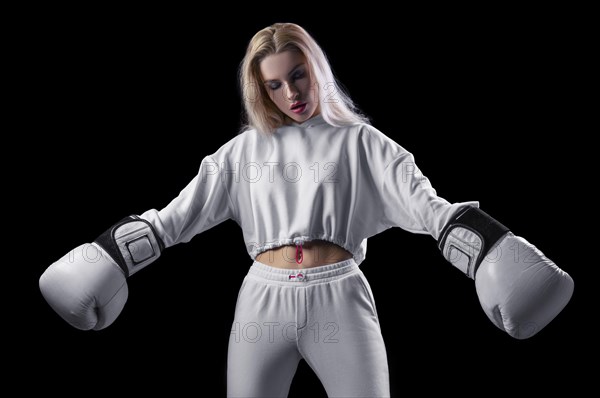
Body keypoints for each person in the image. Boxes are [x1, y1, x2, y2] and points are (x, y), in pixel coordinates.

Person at [39, 23, 574, 397]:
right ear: (260, 89)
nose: (290, 92)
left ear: (315, 68)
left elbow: (431, 211)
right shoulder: (242, 152)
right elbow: (174, 220)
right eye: (273, 84)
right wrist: (112, 254)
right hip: (260, 302)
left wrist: (490, 250)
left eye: (297, 75)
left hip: (338, 296)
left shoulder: (362, 143)